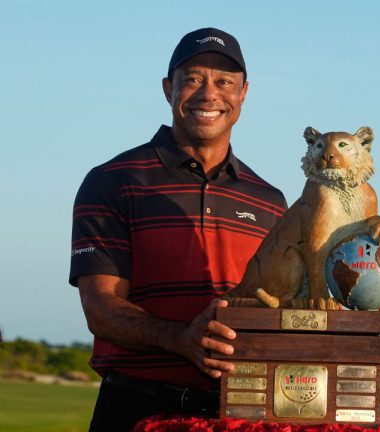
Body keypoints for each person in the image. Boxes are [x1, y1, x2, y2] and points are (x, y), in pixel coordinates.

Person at [69, 28, 287, 431]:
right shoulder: (113, 181)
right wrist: (182, 338)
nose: (209, 94)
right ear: (169, 89)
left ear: (243, 94)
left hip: (241, 412)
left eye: (224, 82)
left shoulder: (270, 201)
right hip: (135, 407)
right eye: (192, 79)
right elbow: (100, 309)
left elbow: (284, 310)